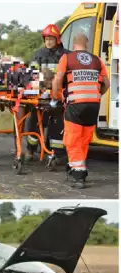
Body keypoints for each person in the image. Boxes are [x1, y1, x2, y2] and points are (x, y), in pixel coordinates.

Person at [52, 33, 110, 188]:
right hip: (93, 105)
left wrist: (57, 96)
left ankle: (79, 175)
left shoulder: (67, 58)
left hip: (76, 105)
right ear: (87, 44)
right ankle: (75, 166)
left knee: (73, 139)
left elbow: (58, 80)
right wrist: (96, 95)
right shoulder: (97, 60)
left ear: (73, 44)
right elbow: (107, 83)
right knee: (84, 138)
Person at [24, 24, 71, 164]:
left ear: (57, 39)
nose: (48, 41)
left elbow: (69, 77)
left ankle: (57, 154)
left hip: (59, 96)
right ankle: (30, 150)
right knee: (33, 121)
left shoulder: (66, 55)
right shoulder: (38, 55)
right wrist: (42, 82)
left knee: (57, 124)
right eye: (46, 39)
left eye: (51, 38)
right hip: (41, 96)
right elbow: (31, 75)